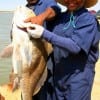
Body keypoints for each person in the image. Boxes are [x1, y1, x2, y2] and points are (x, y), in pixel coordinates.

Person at [18, 0, 100, 100]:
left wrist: (44, 33)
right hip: (58, 76)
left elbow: (76, 46)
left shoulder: (88, 19)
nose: (71, 1)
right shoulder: (60, 18)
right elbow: (45, 35)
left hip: (79, 77)